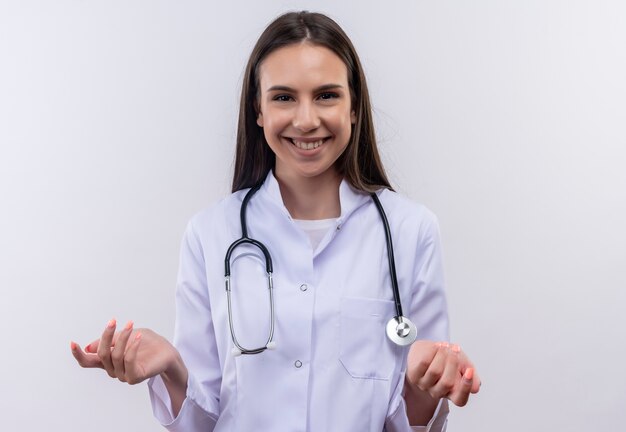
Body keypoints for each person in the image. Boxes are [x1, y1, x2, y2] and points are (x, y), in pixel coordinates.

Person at [71, 11, 480, 432]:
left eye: (326, 96)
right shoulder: (210, 235)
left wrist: (426, 388)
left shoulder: (411, 232)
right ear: (259, 110)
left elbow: (416, 416)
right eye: (283, 97)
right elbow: (201, 423)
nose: (305, 119)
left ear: (354, 107)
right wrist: (172, 368)